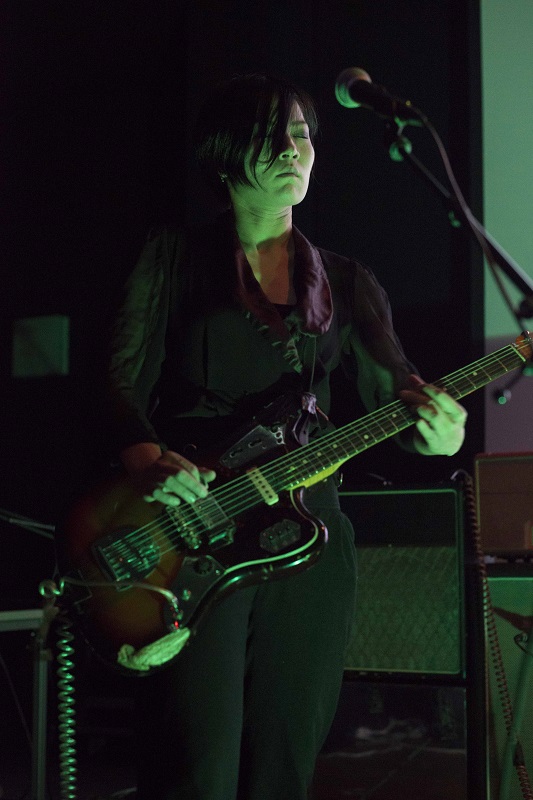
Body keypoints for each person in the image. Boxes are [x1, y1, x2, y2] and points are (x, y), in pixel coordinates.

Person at [105, 72, 467, 800]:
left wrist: (442, 433)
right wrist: (147, 458)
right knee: (197, 768)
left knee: (284, 765)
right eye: (271, 137)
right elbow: (117, 382)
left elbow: (397, 392)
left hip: (310, 537)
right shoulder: (172, 257)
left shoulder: (346, 280)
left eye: (301, 135)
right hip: (196, 526)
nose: (292, 150)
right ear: (224, 155)